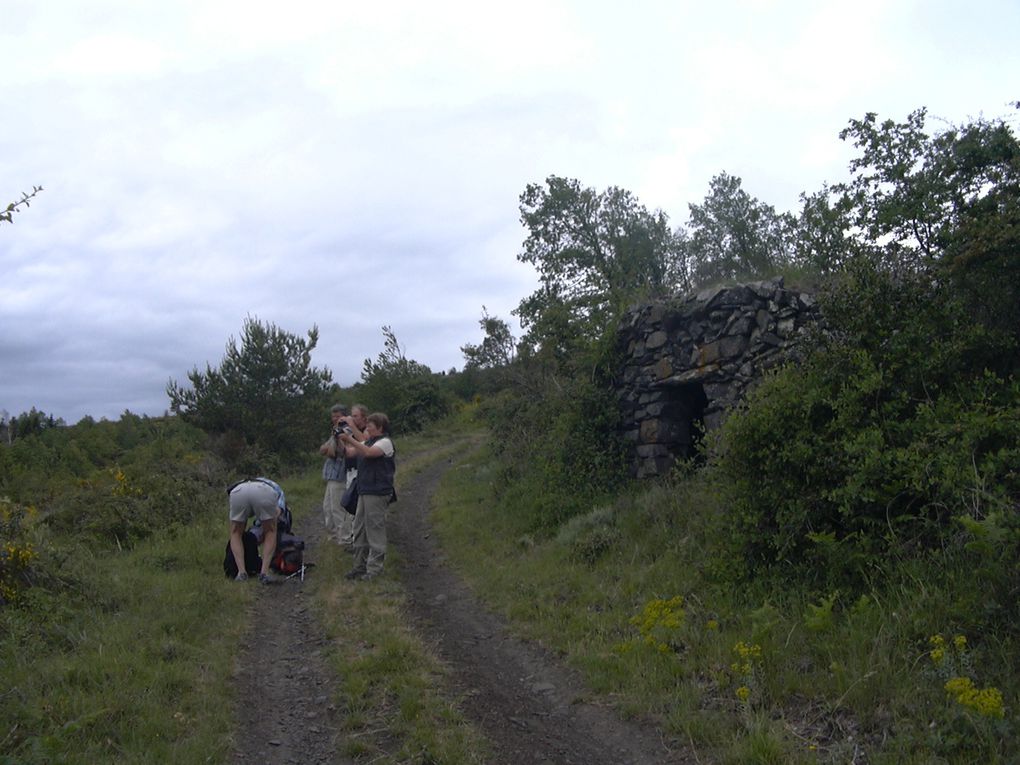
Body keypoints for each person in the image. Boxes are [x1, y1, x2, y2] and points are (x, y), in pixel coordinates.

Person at [339, 412, 395, 581]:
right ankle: (359, 566)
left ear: (380, 427)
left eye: (371, 425)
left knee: (374, 529)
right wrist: (340, 438)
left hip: (377, 491)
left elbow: (369, 453)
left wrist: (350, 439)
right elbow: (350, 453)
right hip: (365, 490)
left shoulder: (385, 443)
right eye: (368, 424)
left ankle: (374, 569)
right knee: (359, 528)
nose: (368, 427)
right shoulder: (367, 442)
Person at [228, 477, 286, 584]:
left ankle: (241, 573)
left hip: (238, 492)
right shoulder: (276, 488)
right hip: (263, 492)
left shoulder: (242, 483)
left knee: (236, 533)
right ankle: (264, 573)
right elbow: (278, 512)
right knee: (271, 531)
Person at [319, 404, 350, 546]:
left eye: (338, 416)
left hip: (340, 475)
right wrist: (328, 448)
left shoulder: (346, 431)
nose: (335, 419)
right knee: (327, 507)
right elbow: (322, 449)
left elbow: (333, 453)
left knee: (337, 507)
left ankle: (343, 537)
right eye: (333, 416)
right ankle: (332, 535)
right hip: (331, 475)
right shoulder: (334, 432)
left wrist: (329, 448)